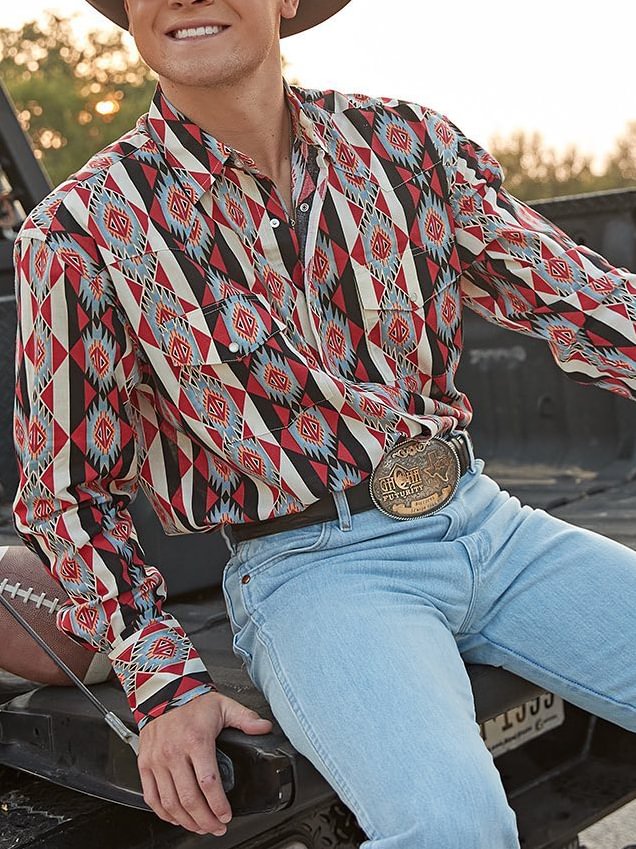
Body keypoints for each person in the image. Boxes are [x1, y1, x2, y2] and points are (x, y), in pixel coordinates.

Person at [11, 0, 636, 845]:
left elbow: (583, 299)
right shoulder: (79, 231)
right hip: (314, 572)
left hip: (489, 524)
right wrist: (165, 682)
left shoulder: (408, 144)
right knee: (453, 826)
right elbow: (67, 492)